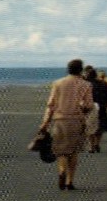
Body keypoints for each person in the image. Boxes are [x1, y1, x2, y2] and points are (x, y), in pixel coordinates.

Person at [39, 59, 95, 190]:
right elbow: (89, 105)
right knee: (74, 151)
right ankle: (70, 181)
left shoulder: (58, 83)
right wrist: (82, 109)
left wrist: (45, 123)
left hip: (59, 120)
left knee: (61, 151)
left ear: (68, 69)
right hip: (77, 120)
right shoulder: (86, 85)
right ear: (80, 69)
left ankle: (62, 170)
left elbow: (51, 105)